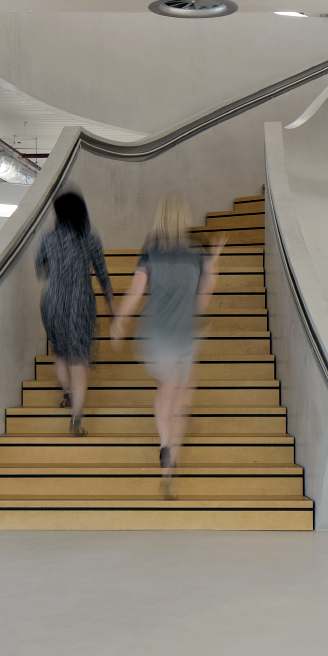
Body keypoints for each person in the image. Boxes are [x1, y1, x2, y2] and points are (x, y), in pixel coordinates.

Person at [110, 192, 223, 496]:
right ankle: (171, 457)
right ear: (184, 217)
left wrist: (120, 320)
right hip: (184, 331)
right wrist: (212, 267)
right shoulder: (196, 251)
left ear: (160, 216)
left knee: (167, 386)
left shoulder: (152, 248)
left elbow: (136, 291)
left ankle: (164, 444)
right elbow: (203, 299)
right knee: (182, 395)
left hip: (156, 332)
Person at [36, 192, 113, 436]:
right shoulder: (90, 238)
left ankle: (68, 392)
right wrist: (111, 305)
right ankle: (76, 420)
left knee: (60, 352)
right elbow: (102, 275)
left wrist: (56, 266)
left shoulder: (48, 238)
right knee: (79, 360)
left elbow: (40, 270)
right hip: (81, 303)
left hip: (53, 302)